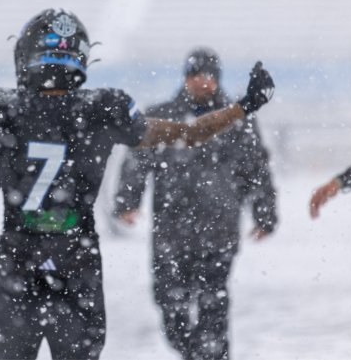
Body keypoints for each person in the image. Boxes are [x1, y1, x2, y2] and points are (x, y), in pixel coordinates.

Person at [0, 10, 274, 360]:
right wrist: (243, 107)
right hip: (77, 259)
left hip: (19, 257)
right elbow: (189, 132)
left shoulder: (1, 109)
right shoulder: (104, 110)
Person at [113, 47, 278, 360]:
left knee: (213, 305)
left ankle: (212, 355)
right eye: (195, 75)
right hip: (170, 233)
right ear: (185, 78)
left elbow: (257, 169)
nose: (201, 81)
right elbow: (137, 161)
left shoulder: (238, 120)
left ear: (217, 78)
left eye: (208, 75)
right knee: (170, 308)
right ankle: (197, 354)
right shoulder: (162, 115)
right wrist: (127, 200)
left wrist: (265, 213)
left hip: (219, 229)